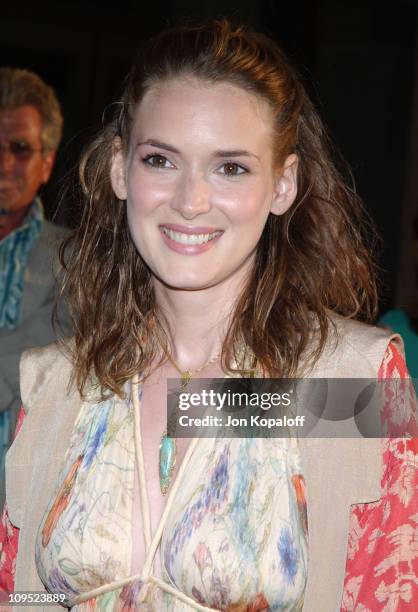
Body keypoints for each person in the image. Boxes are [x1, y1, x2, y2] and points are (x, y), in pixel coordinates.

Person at [1, 20, 417, 611]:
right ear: (122, 170)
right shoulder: (54, 384)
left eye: (230, 168)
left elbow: (389, 589)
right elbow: (22, 596)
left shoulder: (355, 383)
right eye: (161, 160)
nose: (190, 201)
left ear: (283, 185)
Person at [0, 68, 70, 508]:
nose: (4, 164)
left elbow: (59, 371)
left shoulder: (80, 263)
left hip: (25, 517)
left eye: (21, 149)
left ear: (46, 162)